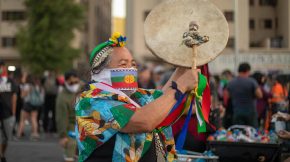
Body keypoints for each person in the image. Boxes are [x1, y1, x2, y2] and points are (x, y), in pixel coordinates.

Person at [75, 32, 199, 162]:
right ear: (100, 71)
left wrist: (185, 62)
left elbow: (162, 101)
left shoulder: (134, 96)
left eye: (133, 64)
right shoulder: (91, 101)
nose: (131, 69)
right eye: (123, 64)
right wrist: (181, 86)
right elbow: (146, 121)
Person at [226, 63, 263, 128]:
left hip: (237, 111)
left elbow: (227, 96)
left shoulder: (231, 82)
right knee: (252, 132)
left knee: (238, 132)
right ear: (247, 70)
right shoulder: (252, 81)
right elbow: (260, 95)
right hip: (250, 111)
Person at [56, 70, 80, 162]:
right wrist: (63, 136)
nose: (74, 84)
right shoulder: (62, 97)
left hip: (85, 127)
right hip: (71, 129)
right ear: (65, 82)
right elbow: (61, 118)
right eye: (71, 82)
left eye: (76, 82)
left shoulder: (83, 89)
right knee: (69, 154)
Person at [17, 75, 44, 140]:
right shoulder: (38, 86)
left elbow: (22, 96)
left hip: (27, 104)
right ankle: (35, 134)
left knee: (22, 120)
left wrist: (23, 91)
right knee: (34, 119)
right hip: (35, 105)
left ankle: (19, 134)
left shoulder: (27, 86)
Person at [0, 61, 17, 162]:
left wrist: (14, 113)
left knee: (6, 138)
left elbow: (14, 97)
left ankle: (2, 154)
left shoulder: (10, 81)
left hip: (7, 113)